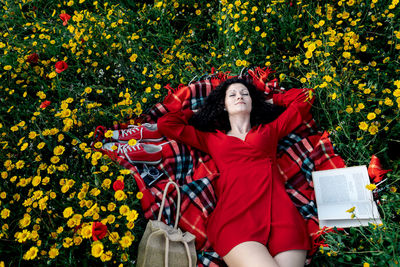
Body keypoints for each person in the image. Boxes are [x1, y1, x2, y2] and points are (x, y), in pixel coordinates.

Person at [157, 77, 314, 267]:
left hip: (281, 215)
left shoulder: (270, 130)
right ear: (223, 105)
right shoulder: (212, 139)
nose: (239, 96)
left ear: (252, 102)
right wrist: (200, 112)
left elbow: (305, 97)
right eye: (232, 95)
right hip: (236, 217)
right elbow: (167, 123)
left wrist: (268, 102)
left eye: (245, 94)